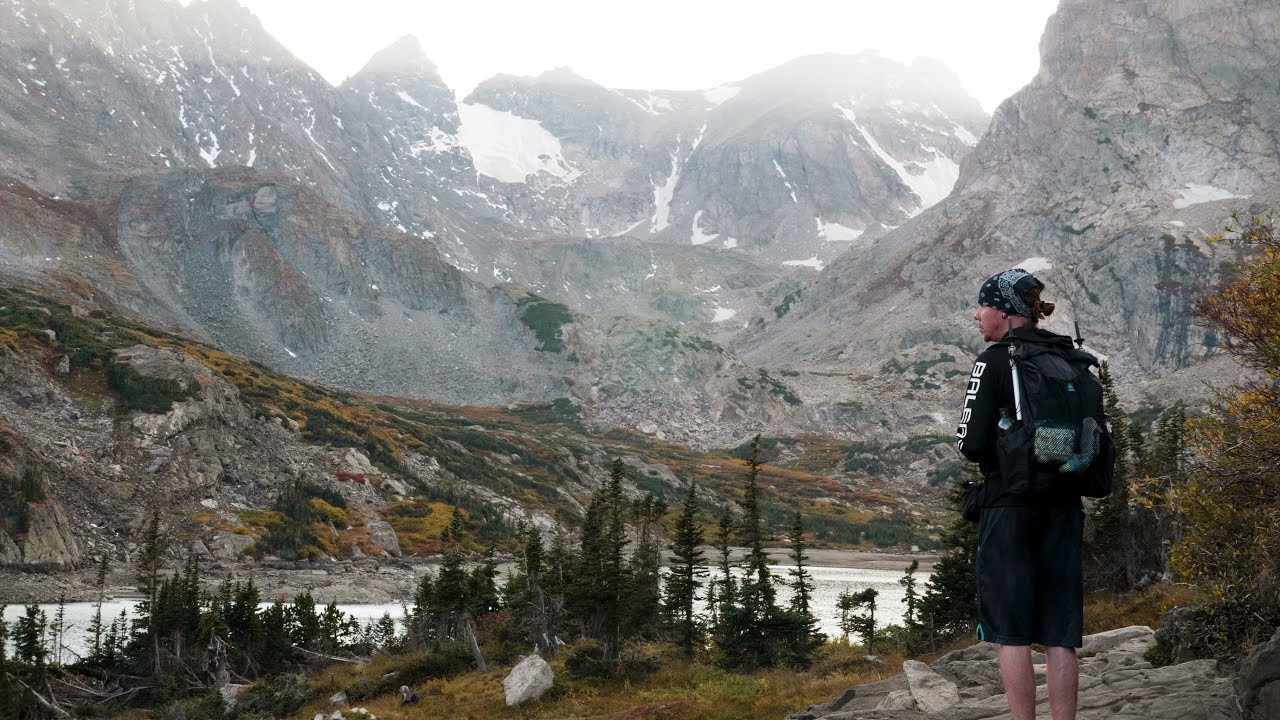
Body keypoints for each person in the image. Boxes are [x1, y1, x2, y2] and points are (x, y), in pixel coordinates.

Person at [955, 268, 1087, 720]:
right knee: (1060, 633)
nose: (977, 315)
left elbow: (970, 444)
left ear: (1006, 313)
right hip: (1065, 502)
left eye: (983, 306)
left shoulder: (993, 361)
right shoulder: (1071, 359)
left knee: (1011, 632)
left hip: (1010, 504)